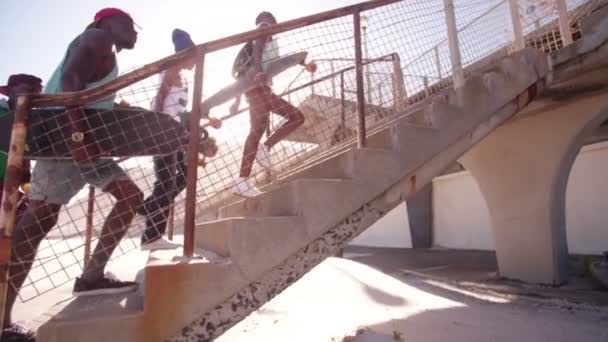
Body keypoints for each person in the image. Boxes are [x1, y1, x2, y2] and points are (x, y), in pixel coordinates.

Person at [2, 8, 143, 341]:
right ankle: (1, 317)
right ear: (105, 22)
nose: (135, 32)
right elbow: (70, 82)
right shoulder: (97, 37)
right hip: (65, 139)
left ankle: (91, 275)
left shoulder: (103, 48)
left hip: (87, 144)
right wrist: (78, 137)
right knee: (40, 219)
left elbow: (90, 92)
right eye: (129, 25)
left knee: (131, 196)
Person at [139, 29, 221, 250]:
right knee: (165, 183)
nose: (196, 62)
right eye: (194, 56)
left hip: (173, 132)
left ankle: (147, 209)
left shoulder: (183, 76)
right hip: (161, 131)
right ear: (186, 53)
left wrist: (207, 117)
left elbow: (181, 109)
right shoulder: (171, 70)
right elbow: (159, 102)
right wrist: (156, 130)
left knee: (182, 176)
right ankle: (150, 234)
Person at [230, 11, 305, 198]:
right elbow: (256, 56)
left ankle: (242, 181)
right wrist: (258, 72)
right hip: (259, 89)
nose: (274, 26)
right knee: (296, 117)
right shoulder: (263, 29)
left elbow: (244, 71)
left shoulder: (268, 41)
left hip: (258, 89)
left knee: (256, 132)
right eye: (273, 22)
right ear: (267, 21)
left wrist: (302, 63)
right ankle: (266, 147)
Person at [0, 75, 41, 230]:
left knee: (26, 223)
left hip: (12, 185)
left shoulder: (32, 118)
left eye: (35, 92)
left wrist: (27, 182)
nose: (31, 95)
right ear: (11, 90)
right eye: (28, 90)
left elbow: (27, 154)